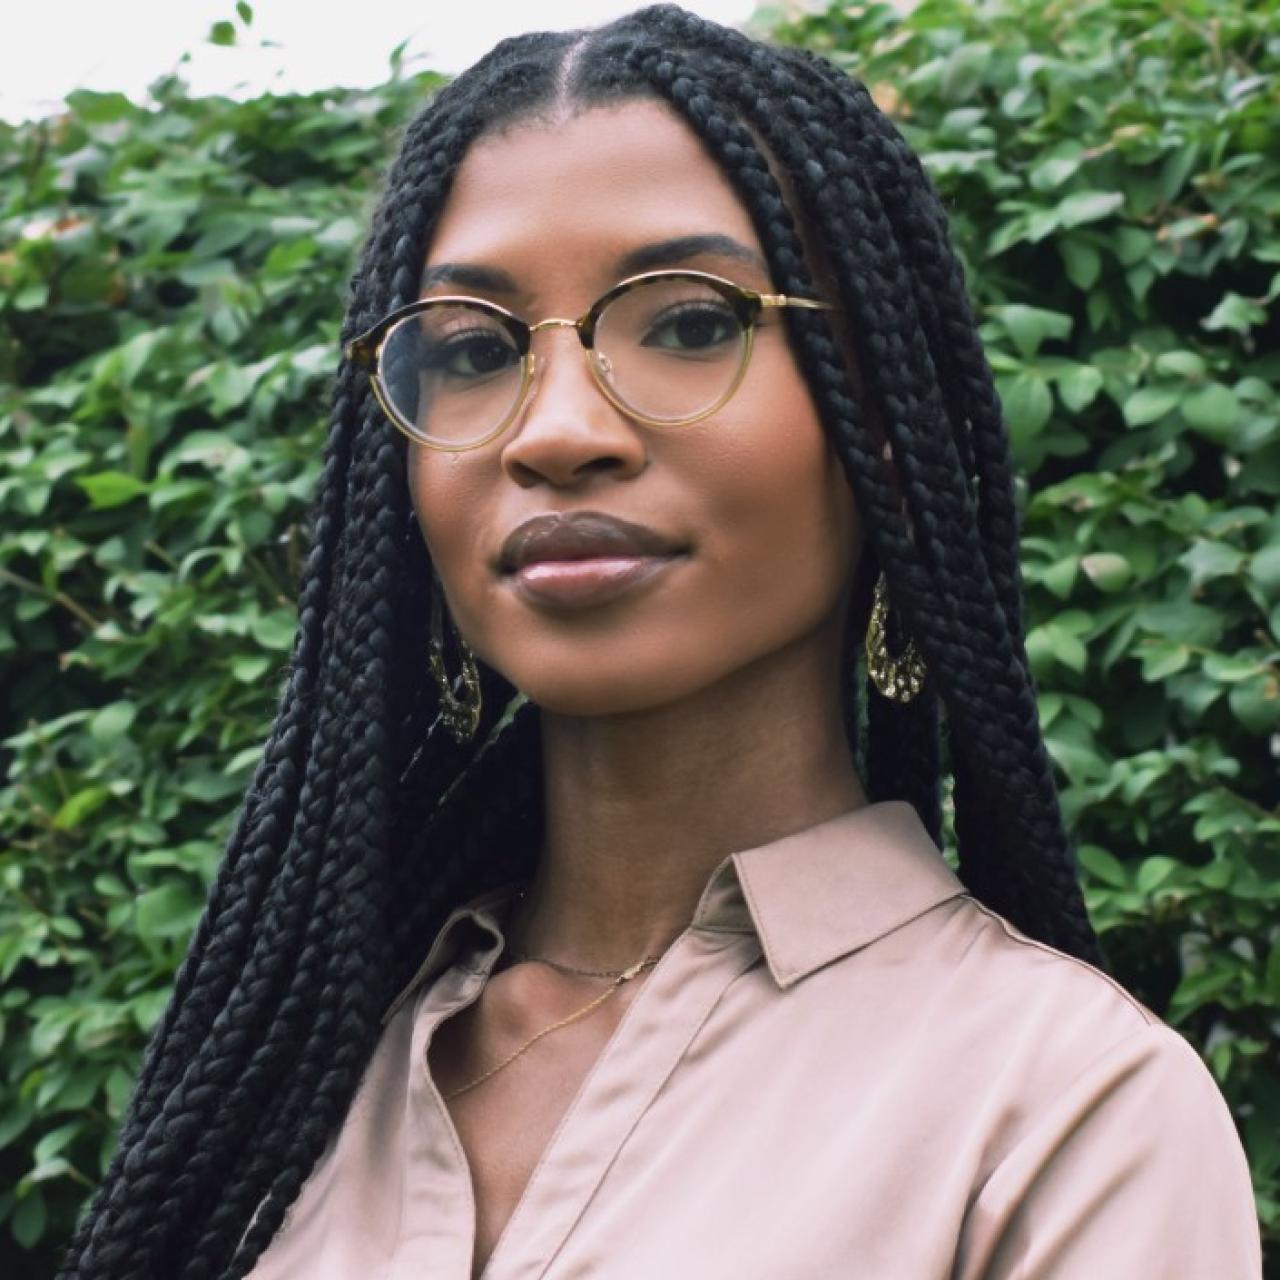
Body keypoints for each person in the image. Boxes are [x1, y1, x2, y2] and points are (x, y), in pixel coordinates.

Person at [60, 6, 1263, 1278]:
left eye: (690, 323)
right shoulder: (274, 1088)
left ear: (882, 441)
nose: (555, 429)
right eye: (472, 348)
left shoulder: (1061, 1111)